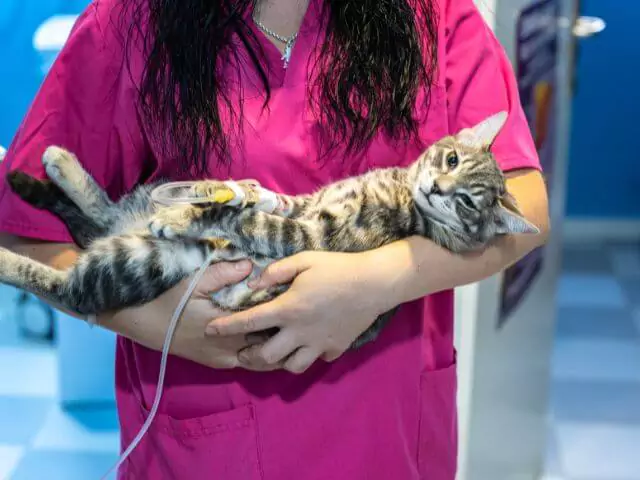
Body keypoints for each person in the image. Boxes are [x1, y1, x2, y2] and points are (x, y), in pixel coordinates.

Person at [0, 0, 549, 478]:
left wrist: (378, 281)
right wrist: (158, 322)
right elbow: (22, 232)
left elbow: (527, 208)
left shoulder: (431, 15)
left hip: (390, 431)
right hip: (210, 438)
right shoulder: (133, 20)